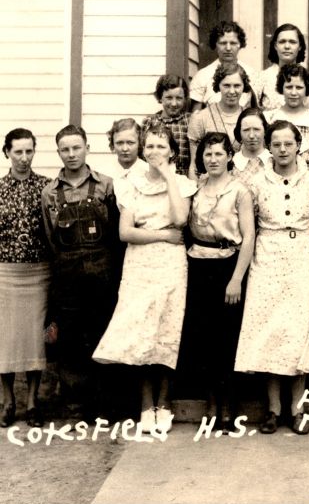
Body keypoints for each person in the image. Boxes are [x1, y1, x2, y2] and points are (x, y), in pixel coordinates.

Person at [92, 124, 196, 434]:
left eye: (161, 147)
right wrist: (163, 235)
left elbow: (180, 219)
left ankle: (163, 403)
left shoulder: (182, 184)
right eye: (149, 146)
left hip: (171, 265)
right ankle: (145, 404)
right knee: (141, 332)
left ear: (172, 151)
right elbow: (126, 232)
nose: (154, 152)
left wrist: (168, 177)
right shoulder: (131, 185)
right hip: (139, 264)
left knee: (166, 331)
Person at [235, 120, 309, 435]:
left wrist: (301, 246)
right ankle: (273, 409)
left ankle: (297, 409)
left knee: (298, 332)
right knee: (271, 331)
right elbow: (249, 222)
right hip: (267, 258)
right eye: (276, 144)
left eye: (288, 144)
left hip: (301, 257)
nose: (283, 150)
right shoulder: (257, 182)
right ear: (269, 147)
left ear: (298, 145)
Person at [41, 125, 121, 421]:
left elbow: (115, 233)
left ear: (87, 147)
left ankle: (104, 403)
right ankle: (75, 403)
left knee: (102, 331)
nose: (71, 154)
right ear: (58, 152)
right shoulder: (50, 193)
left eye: (76, 147)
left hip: (102, 271)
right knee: (71, 337)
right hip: (67, 273)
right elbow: (50, 237)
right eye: (65, 149)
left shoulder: (106, 185)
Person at [179, 132, 255, 432]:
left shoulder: (240, 191)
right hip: (199, 264)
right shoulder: (196, 188)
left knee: (227, 337)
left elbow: (249, 237)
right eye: (208, 154)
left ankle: (229, 407)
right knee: (204, 337)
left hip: (228, 265)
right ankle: (211, 404)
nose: (213, 159)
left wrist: (236, 278)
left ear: (229, 157)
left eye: (218, 154)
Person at [0, 129, 51, 428]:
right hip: (5, 273)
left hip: (39, 272)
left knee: (35, 339)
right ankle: (8, 400)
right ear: (7, 152)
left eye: (29, 151)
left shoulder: (46, 187)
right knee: (5, 338)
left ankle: (33, 401)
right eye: (17, 151)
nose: (23, 157)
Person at [263, 64, 309, 179]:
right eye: (289, 87)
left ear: (307, 89)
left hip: (308, 180)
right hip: (276, 178)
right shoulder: (269, 118)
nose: (293, 92)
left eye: (299, 87)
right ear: (281, 88)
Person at [188, 63, 251, 174]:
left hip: (245, 179)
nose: (232, 91)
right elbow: (194, 165)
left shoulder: (250, 118)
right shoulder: (201, 118)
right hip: (210, 180)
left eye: (237, 85)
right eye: (226, 85)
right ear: (218, 85)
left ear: (244, 86)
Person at [190, 21, 256, 111]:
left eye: (233, 43)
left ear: (240, 44)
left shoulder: (251, 73)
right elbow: (195, 113)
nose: (228, 48)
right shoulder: (202, 76)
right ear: (215, 44)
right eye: (223, 43)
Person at [143, 75, 192, 177]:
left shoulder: (190, 121)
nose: (174, 103)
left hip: (184, 178)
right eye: (169, 98)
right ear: (160, 97)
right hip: (157, 177)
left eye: (179, 98)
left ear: (185, 99)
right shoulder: (149, 122)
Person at [258, 23, 308, 111]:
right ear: (275, 46)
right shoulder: (262, 78)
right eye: (282, 42)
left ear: (300, 46)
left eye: (292, 42)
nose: (287, 46)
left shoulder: (308, 78)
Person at [231, 107, 270, 191]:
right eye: (246, 130)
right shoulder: (231, 164)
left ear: (265, 131)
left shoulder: (274, 161)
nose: (251, 136)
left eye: (256, 129)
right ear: (239, 132)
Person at [105, 118, 149, 186]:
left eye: (130, 142)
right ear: (113, 144)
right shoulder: (104, 174)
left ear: (140, 143)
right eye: (119, 143)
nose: (125, 149)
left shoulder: (149, 172)